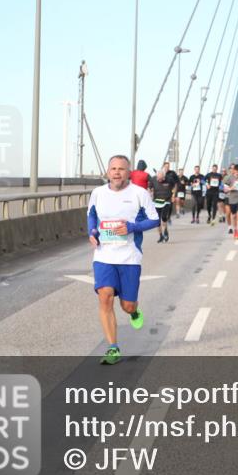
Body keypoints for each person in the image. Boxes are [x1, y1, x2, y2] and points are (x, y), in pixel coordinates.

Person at [86, 155, 159, 365]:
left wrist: (132, 227)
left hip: (129, 256)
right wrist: (92, 231)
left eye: (121, 169)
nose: (117, 172)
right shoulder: (98, 193)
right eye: (113, 169)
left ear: (129, 172)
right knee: (105, 297)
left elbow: (154, 220)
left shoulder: (139, 193)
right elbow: (91, 215)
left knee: (126, 305)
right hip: (103, 255)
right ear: (108, 172)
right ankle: (113, 348)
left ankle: (134, 311)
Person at [224, 164, 238, 239]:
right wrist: (231, 188)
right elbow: (225, 190)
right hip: (232, 200)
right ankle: (235, 230)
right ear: (234, 171)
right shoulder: (230, 178)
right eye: (236, 172)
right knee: (233, 216)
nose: (237, 174)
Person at [151, 170, 175, 242]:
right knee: (157, 220)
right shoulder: (153, 179)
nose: (159, 180)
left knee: (164, 217)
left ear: (164, 177)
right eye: (158, 179)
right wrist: (150, 193)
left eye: (161, 179)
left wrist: (173, 195)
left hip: (166, 201)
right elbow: (150, 188)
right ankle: (161, 236)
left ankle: (165, 230)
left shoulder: (169, 179)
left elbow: (175, 186)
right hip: (157, 201)